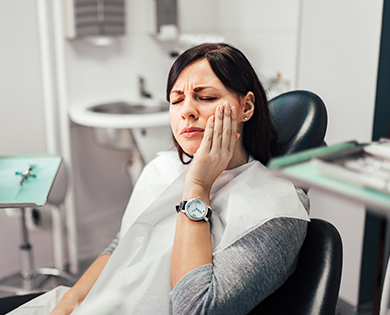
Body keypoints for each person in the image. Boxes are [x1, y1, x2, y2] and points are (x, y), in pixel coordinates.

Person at [50, 43, 310, 315]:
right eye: (176, 100)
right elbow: (122, 246)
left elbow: (196, 309)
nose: (187, 110)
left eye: (206, 97)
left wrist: (198, 186)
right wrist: (66, 305)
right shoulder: (162, 168)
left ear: (246, 106)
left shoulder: (278, 209)